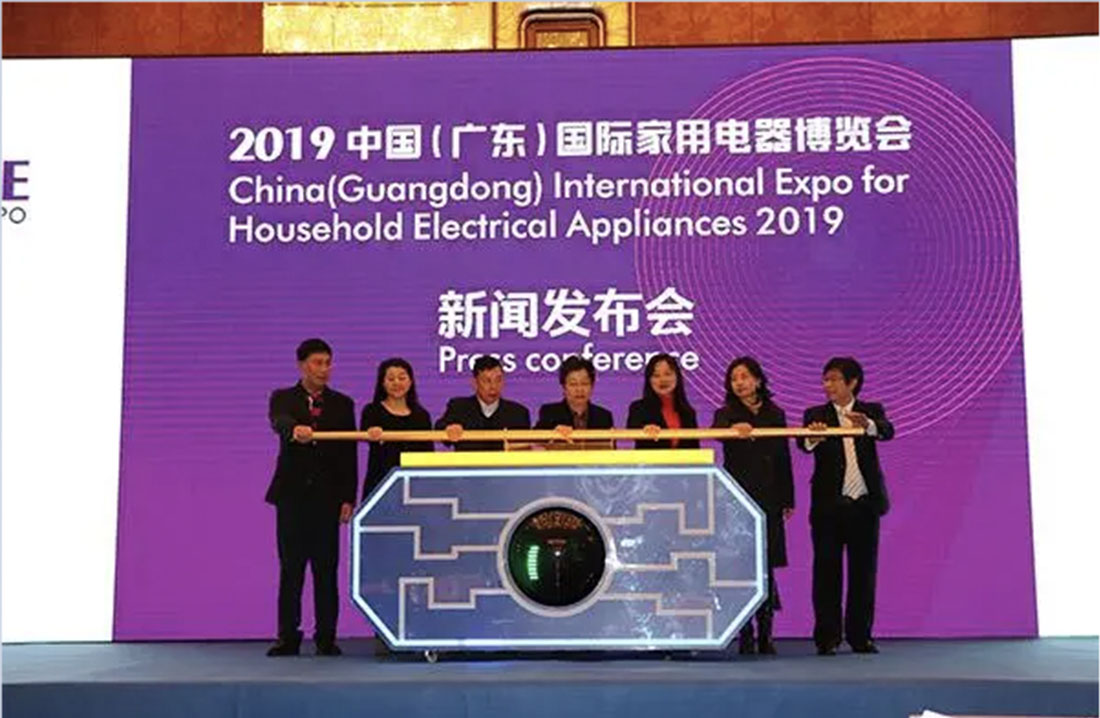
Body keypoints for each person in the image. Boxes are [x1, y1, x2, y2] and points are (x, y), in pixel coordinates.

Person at [265, 338, 357, 657]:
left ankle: (326, 637)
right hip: (292, 497)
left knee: (326, 570)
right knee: (291, 569)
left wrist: (348, 498)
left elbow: (348, 455)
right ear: (302, 365)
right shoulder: (283, 398)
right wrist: (295, 429)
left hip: (327, 499)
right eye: (317, 363)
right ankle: (287, 637)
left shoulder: (343, 403)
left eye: (328, 363)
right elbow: (280, 421)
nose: (323, 369)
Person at [800, 357, 894, 656]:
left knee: (863, 575)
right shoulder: (815, 414)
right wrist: (814, 436)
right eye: (825, 380)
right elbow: (803, 445)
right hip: (829, 507)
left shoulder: (871, 411)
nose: (828, 385)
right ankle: (827, 637)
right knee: (826, 574)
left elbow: (887, 430)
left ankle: (860, 636)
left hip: (864, 505)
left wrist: (867, 425)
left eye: (834, 379)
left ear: (852, 382)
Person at [711, 357, 794, 655]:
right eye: (734, 378)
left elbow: (784, 458)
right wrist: (735, 428)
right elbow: (717, 431)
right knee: (741, 566)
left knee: (766, 565)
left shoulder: (775, 413)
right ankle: (745, 633)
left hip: (770, 498)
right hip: (739, 499)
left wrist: (788, 498)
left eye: (745, 377)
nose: (740, 383)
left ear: (758, 380)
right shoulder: (726, 414)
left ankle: (766, 633)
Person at [360, 358, 433, 502]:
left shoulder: (422, 415)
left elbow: (428, 453)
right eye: (391, 379)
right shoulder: (372, 411)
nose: (396, 383)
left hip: (414, 486)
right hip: (380, 482)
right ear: (382, 383)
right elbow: (366, 435)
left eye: (402, 378)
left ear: (410, 382)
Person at [435, 355, 530, 451]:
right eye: (487, 381)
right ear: (474, 383)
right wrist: (449, 429)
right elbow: (440, 427)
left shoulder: (518, 413)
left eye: (498, 380)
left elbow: (526, 449)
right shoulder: (459, 408)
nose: (493, 387)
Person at [626, 353, 700, 449]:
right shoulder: (638, 408)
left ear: (677, 377)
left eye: (668, 374)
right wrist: (644, 429)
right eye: (656, 375)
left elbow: (695, 448)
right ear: (649, 380)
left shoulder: (688, 412)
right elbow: (632, 430)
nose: (663, 380)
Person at [535, 355, 614, 445]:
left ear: (592, 386)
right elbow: (533, 442)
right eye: (573, 384)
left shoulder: (603, 417)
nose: (579, 389)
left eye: (584, 383)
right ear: (564, 387)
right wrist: (553, 434)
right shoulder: (550, 413)